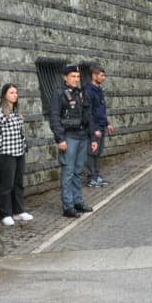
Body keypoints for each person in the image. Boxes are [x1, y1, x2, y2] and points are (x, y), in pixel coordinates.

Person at [50, 64, 95, 219]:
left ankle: (78, 202)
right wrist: (60, 138)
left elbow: (88, 116)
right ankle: (68, 206)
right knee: (68, 172)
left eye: (77, 77)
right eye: (73, 76)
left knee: (78, 171)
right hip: (68, 137)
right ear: (65, 78)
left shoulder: (82, 94)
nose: (76, 79)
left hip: (82, 136)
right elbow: (54, 117)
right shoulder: (59, 94)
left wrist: (92, 138)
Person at [0, 83, 31, 225]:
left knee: (18, 182)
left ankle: (18, 211)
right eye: (12, 92)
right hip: (6, 153)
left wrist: (24, 146)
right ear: (5, 95)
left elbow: (21, 133)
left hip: (19, 151)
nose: (15, 95)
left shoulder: (17, 113)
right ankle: (4, 213)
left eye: (16, 93)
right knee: (6, 184)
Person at [84, 66, 115, 188]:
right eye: (101, 75)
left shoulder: (99, 90)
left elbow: (100, 110)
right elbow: (89, 113)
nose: (103, 78)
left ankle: (96, 175)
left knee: (98, 152)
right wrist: (94, 129)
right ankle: (91, 177)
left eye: (104, 75)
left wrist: (107, 124)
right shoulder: (88, 91)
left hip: (101, 126)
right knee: (92, 152)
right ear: (94, 75)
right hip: (94, 127)